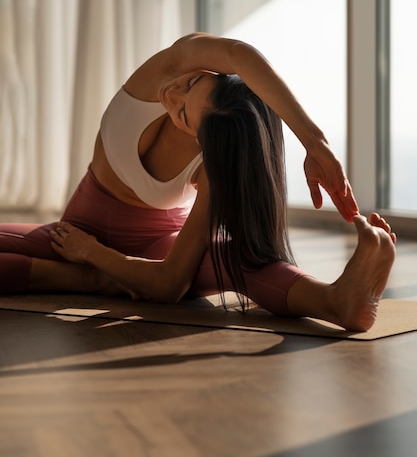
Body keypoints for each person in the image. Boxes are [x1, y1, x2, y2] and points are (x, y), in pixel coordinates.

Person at [0, 33, 396, 332]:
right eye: (193, 84)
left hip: (151, 245)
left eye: (183, 114)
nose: (170, 94)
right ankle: (99, 282)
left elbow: (170, 283)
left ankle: (335, 300)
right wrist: (315, 142)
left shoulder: (212, 164)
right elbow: (239, 54)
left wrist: (92, 255)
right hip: (78, 226)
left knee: (243, 260)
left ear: (202, 140)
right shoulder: (170, 69)